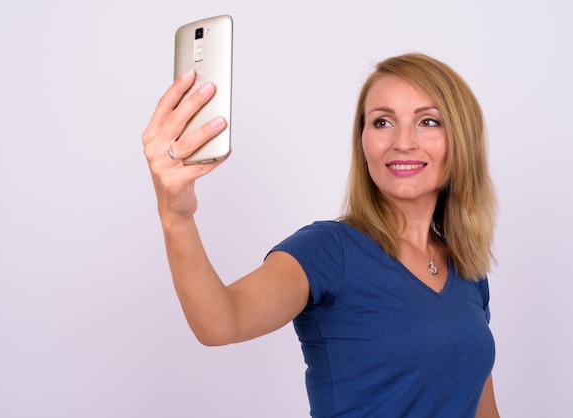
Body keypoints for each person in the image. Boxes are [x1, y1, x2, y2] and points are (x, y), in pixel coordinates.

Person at [142, 53, 500, 417]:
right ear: (363, 142)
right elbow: (221, 322)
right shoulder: (329, 250)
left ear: (460, 140)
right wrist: (177, 217)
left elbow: (483, 409)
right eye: (381, 122)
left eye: (427, 121)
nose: (402, 142)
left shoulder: (468, 269)